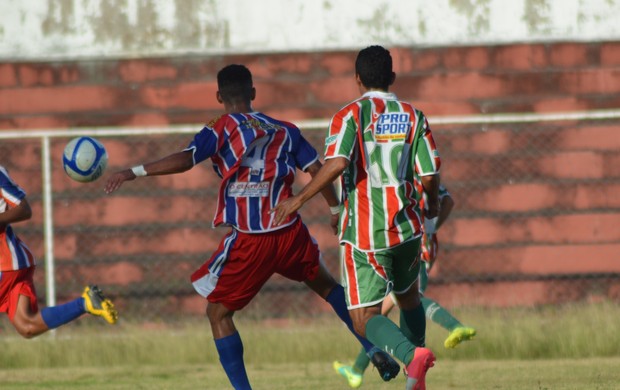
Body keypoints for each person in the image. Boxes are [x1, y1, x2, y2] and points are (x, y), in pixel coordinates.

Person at [103, 64, 400, 390]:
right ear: (253, 93)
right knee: (330, 289)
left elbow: (187, 158)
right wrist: (334, 209)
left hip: (251, 240)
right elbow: (318, 169)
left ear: (219, 96)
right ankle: (372, 348)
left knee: (217, 315)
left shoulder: (221, 126)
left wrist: (133, 171)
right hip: (290, 234)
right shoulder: (284, 128)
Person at [272, 45, 441, 390]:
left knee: (364, 319)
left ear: (358, 80)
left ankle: (412, 358)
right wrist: (433, 209)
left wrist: (298, 200)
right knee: (409, 298)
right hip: (408, 228)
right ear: (392, 78)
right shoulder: (414, 116)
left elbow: (337, 163)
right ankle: (416, 379)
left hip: (365, 233)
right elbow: (429, 175)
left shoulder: (349, 115)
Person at [333, 184, 477, 388]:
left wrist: (430, 227)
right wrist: (432, 227)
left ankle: (453, 327)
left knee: (405, 300)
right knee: (378, 313)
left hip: (403, 243)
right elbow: (448, 200)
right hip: (415, 244)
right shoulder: (421, 175)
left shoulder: (412, 176)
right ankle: (359, 368)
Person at [0, 165, 118, 339]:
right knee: (27, 326)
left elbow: (24, 209)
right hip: (15, 264)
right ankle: (86, 303)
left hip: (5, 264)